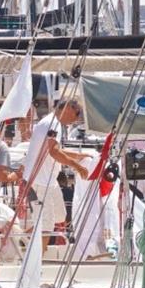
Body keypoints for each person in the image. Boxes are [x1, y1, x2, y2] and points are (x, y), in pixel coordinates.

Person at [23, 100, 89, 247]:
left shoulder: (52, 123)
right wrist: (77, 166)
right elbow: (54, 152)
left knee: (60, 215)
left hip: (49, 182)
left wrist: (80, 155)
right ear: (66, 109)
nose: (77, 118)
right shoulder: (52, 123)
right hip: (39, 181)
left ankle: (23, 239)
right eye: (77, 113)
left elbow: (54, 150)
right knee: (46, 224)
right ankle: (40, 260)